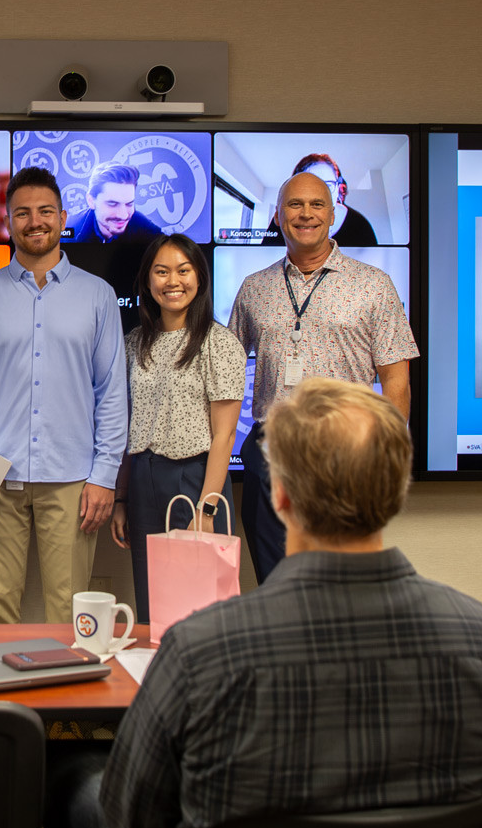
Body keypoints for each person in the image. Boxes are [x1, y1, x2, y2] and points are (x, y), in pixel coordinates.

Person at [62, 378, 482, 828]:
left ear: (279, 495)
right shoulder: (480, 636)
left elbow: (136, 822)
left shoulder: (203, 648)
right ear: (397, 489)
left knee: (75, 778)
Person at [0, 166, 127, 625]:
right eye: (22, 213)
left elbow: (111, 392)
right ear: (8, 221)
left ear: (62, 218)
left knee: (70, 612)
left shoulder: (98, 296)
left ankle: (68, 698)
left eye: (44, 212)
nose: (34, 221)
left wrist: (105, 475)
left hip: (74, 479)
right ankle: (1, 699)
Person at [228, 171, 416, 582]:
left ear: (333, 215)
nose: (306, 214)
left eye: (317, 205)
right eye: (294, 205)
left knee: (343, 576)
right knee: (275, 579)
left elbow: (396, 381)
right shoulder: (253, 289)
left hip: (345, 446)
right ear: (278, 216)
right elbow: (226, 372)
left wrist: (385, 458)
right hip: (269, 448)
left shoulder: (374, 286)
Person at [110, 234, 245, 623]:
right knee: (153, 601)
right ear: (148, 282)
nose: (173, 281)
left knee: (201, 605)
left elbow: (224, 436)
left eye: (183, 270)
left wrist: (207, 507)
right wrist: (121, 500)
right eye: (162, 271)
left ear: (199, 277)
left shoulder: (218, 343)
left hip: (198, 479)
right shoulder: (134, 343)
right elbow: (126, 426)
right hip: (143, 478)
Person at [261, 152, 379, 247]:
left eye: (328, 185)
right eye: (309, 185)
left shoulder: (360, 225)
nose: (320, 194)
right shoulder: (283, 219)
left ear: (338, 188)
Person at [67, 162, 162, 245]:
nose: (123, 215)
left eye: (129, 204)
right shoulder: (67, 231)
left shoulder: (148, 233)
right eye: (112, 204)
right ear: (91, 201)